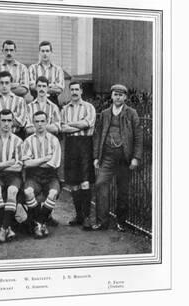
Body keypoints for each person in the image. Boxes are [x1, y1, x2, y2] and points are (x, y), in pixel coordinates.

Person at [92, 84, 143, 232]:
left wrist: (136, 158)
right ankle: (102, 222)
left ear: (125, 97)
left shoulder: (131, 113)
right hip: (107, 157)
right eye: (115, 94)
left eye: (121, 95)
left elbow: (139, 138)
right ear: (111, 96)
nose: (118, 97)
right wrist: (96, 157)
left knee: (123, 190)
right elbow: (98, 135)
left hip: (124, 158)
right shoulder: (105, 113)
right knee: (101, 184)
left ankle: (121, 222)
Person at [61, 81, 96, 230]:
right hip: (70, 145)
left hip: (85, 144)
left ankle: (87, 217)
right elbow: (63, 127)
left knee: (85, 181)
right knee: (74, 183)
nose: (74, 92)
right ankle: (79, 215)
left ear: (81, 91)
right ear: (70, 91)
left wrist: (72, 124)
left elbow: (87, 124)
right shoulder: (64, 109)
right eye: (72, 89)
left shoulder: (89, 107)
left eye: (77, 89)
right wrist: (78, 124)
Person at [21, 111, 62, 239]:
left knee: (53, 193)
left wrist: (35, 162)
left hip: (50, 177)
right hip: (33, 177)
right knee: (28, 192)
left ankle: (39, 223)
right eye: (37, 121)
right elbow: (26, 163)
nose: (39, 124)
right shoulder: (28, 141)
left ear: (47, 122)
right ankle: (41, 224)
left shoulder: (54, 140)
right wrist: (45, 158)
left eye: (42, 121)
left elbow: (53, 164)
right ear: (33, 123)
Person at [0, 110, 24, 243]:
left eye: (9, 120)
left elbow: (18, 166)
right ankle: (8, 227)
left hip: (13, 175)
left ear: (13, 122)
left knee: (12, 191)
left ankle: (2, 228)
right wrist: (8, 162)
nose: (6, 124)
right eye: (4, 120)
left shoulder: (18, 142)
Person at [0, 71, 27, 138]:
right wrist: (13, 116)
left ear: (11, 84)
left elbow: (21, 121)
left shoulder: (20, 100)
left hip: (16, 135)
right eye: (1, 83)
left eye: (7, 83)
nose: (4, 86)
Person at [28, 41, 65, 105]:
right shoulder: (32, 68)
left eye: (47, 51)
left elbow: (60, 89)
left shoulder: (58, 69)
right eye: (43, 51)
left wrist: (40, 87)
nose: (45, 54)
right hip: (36, 100)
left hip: (53, 100)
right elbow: (31, 86)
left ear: (51, 52)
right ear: (39, 53)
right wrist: (51, 86)